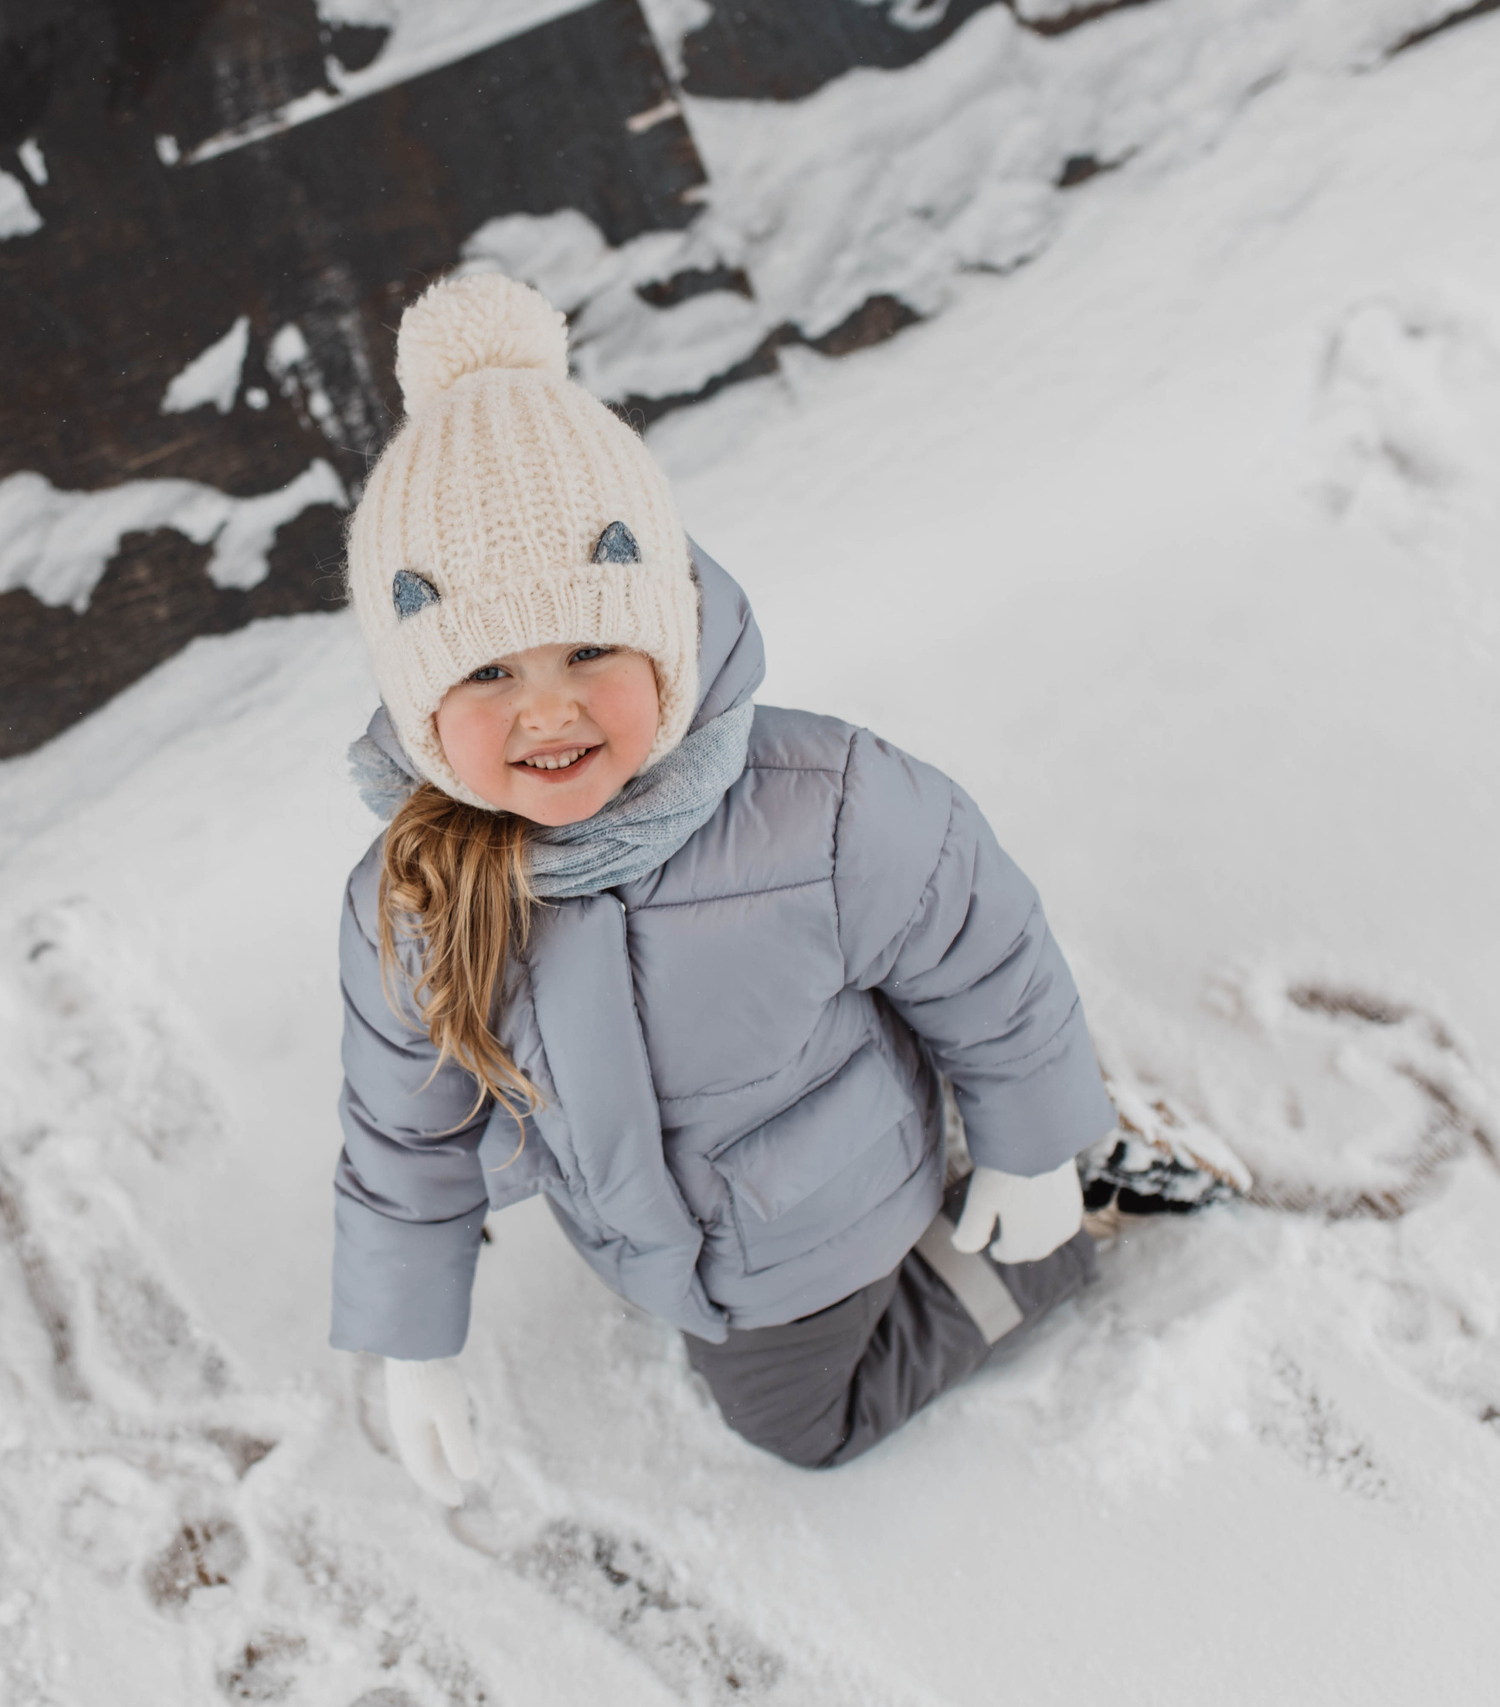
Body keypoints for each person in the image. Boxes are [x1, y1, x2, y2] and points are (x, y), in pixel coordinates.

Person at [332, 273, 1114, 1505]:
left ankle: (1074, 1227)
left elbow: (986, 952)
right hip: (662, 1244)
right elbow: (402, 1137)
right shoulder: (421, 901)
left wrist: (1037, 1145)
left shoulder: (821, 804)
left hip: (822, 1231)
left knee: (805, 1423)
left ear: (670, 634)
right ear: (419, 704)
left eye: (591, 646)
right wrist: (410, 1337)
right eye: (487, 669)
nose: (548, 707)